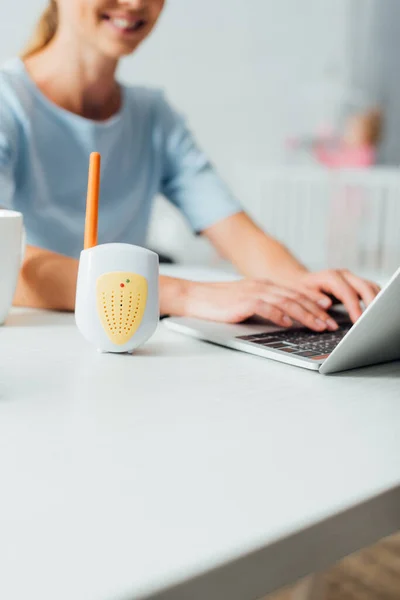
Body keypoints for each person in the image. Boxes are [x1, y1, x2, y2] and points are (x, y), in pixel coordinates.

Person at [0, 0, 380, 332]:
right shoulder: (7, 102)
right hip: (39, 339)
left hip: (125, 340)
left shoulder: (152, 116)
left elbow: (235, 231)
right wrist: (186, 294)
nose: (135, 2)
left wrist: (302, 287)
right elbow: (6, 267)